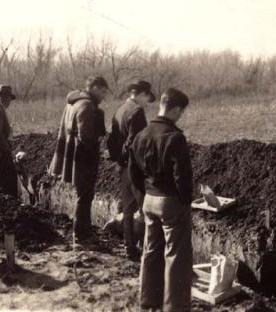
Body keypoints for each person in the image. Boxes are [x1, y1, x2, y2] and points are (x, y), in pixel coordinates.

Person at [128, 88, 193, 311]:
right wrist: (186, 201)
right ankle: (175, 307)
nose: (180, 116)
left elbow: (133, 173)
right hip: (170, 202)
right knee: (176, 256)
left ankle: (148, 300)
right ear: (175, 109)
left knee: (151, 251)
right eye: (180, 112)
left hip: (148, 200)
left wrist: (142, 197)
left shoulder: (141, 135)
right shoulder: (175, 137)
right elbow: (182, 177)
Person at [49, 76, 110, 243]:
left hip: (74, 156)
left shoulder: (74, 102)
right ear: (95, 88)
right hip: (83, 158)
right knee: (84, 196)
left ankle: (83, 230)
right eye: (103, 92)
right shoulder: (87, 105)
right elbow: (86, 136)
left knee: (82, 195)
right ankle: (81, 235)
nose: (104, 96)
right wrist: (99, 151)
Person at [107, 80, 155, 260]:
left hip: (123, 168)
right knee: (146, 210)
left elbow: (112, 141)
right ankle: (146, 251)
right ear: (141, 95)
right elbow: (136, 141)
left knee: (127, 211)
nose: (146, 103)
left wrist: (119, 161)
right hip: (135, 168)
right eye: (146, 98)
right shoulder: (137, 112)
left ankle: (129, 248)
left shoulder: (119, 110)